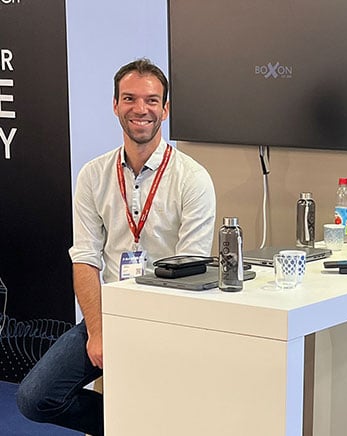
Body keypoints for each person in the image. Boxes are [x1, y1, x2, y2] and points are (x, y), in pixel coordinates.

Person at [16, 58, 216, 436]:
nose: (140, 109)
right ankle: (130, 425)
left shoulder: (193, 179)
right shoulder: (93, 175)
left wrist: (152, 334)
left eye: (151, 100)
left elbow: (191, 269)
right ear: (115, 105)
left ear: (165, 109)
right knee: (35, 398)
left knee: (167, 398)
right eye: (129, 98)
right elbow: (85, 258)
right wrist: (98, 331)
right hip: (109, 315)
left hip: (168, 320)